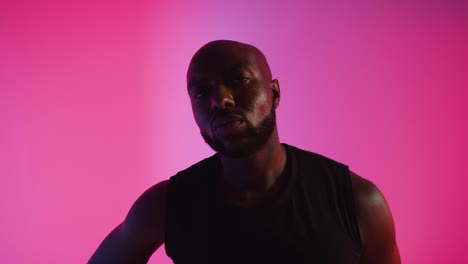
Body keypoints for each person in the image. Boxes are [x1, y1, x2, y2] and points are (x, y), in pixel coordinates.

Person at [89, 40, 400, 263]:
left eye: (237, 80)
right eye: (201, 91)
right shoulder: (166, 205)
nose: (219, 100)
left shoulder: (357, 202)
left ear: (274, 92)